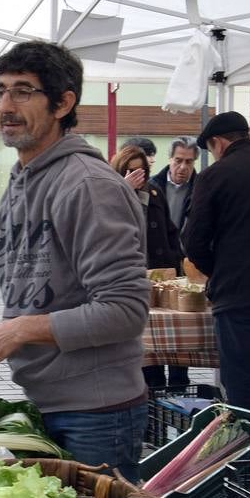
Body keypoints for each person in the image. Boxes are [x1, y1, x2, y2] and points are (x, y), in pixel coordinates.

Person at [0, 40, 150, 482]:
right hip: (47, 400)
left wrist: (22, 328)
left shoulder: (88, 185)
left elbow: (126, 310)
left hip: (97, 413)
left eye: (24, 91)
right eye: (1, 91)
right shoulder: (21, 178)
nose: (6, 106)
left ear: (63, 103)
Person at [182, 111, 250, 409]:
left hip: (238, 297)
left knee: (243, 387)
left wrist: (216, 271)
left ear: (217, 143)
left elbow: (193, 240)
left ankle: (247, 454)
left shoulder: (215, 175)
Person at [111, 145, 186, 390]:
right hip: (132, 278)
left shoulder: (154, 191)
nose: (137, 176)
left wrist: (177, 264)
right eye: (130, 171)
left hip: (162, 273)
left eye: (141, 170)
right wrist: (125, 190)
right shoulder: (111, 193)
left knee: (175, 341)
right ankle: (153, 388)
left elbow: (169, 230)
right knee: (147, 348)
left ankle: (178, 386)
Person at [150, 135, 199, 234]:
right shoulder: (151, 186)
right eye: (178, 160)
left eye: (188, 162)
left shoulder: (201, 188)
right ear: (170, 159)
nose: (183, 167)